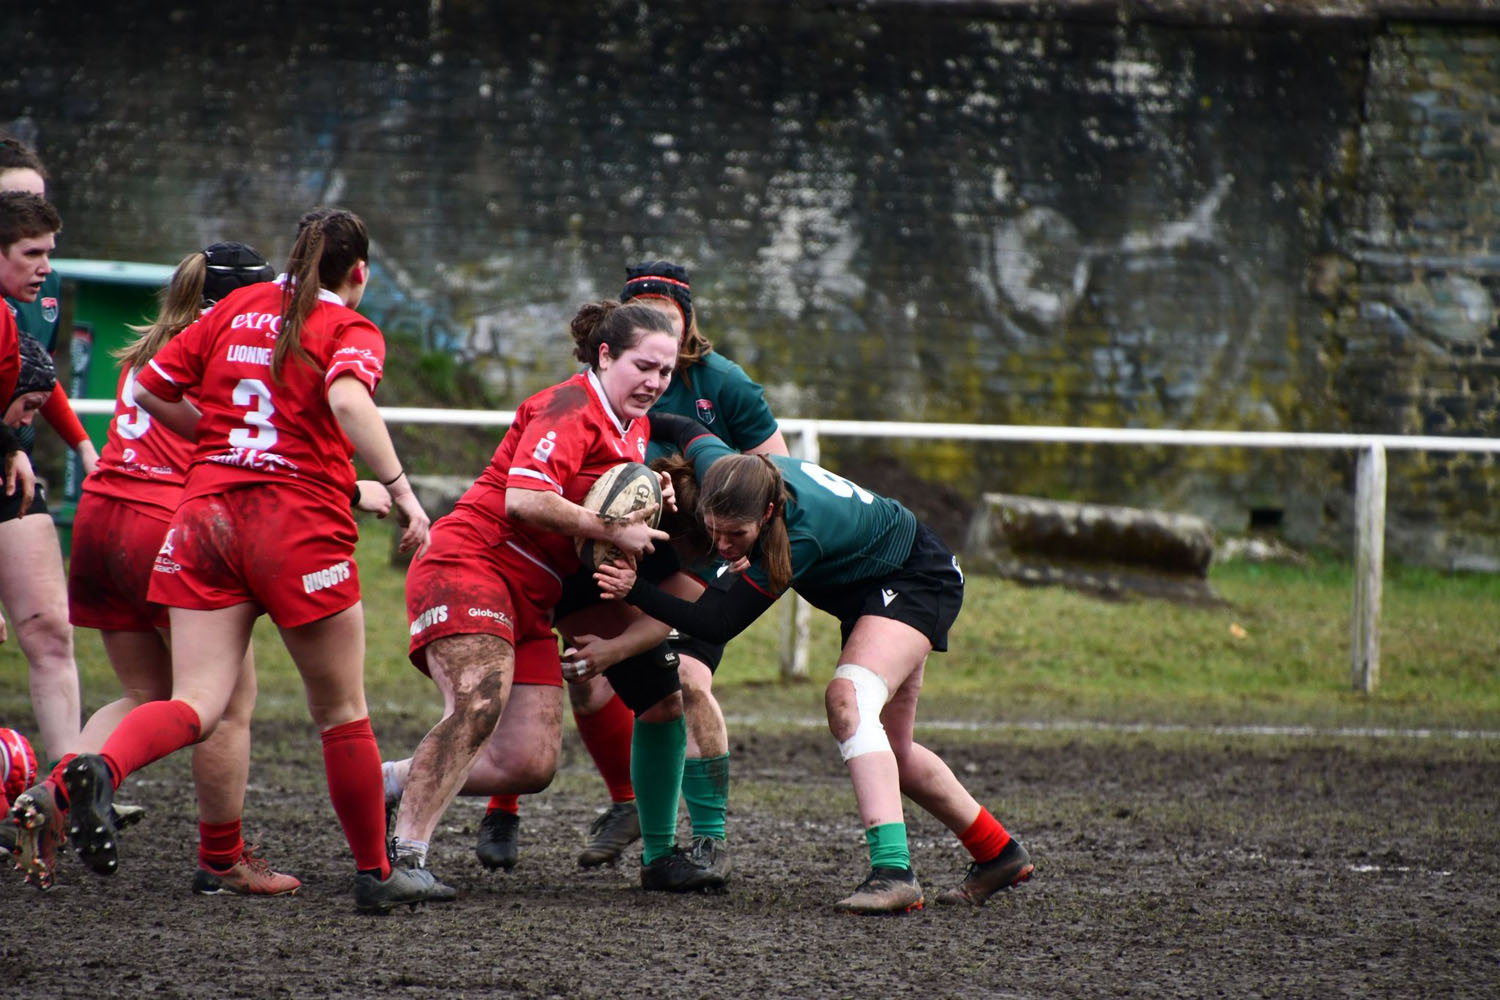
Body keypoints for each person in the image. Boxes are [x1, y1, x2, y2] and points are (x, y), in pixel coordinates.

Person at [12, 208, 442, 913]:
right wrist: (401, 489)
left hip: (204, 517)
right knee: (341, 711)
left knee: (195, 702)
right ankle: (376, 872)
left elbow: (149, 388)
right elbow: (346, 398)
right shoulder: (347, 325)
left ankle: (96, 770)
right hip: (295, 524)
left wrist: (223, 438)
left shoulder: (237, 307)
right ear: (359, 272)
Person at [593, 414, 1036, 914]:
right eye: (714, 531)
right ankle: (998, 852)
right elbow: (686, 428)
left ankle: (894, 873)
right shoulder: (727, 472)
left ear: (767, 513)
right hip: (881, 586)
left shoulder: (801, 535)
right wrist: (622, 418)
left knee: (848, 700)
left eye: (736, 534)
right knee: (894, 753)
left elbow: (715, 623)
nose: (723, 546)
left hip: (916, 578)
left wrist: (636, 590)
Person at [386, 299, 718, 894]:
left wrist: (653, 498)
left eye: (666, 372)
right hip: (471, 564)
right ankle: (406, 859)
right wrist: (616, 528)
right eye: (643, 366)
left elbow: (601, 506)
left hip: (534, 597)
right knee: (478, 703)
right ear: (605, 355)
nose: (654, 382)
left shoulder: (636, 426)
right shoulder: (568, 406)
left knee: (528, 763)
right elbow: (523, 500)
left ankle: (380, 783)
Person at [10, 243, 312, 893]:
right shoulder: (229, 350)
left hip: (101, 521)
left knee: (144, 693)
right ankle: (222, 859)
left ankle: (53, 795)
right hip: (164, 524)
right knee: (224, 704)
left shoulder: (151, 343)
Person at [476, 260, 788, 885]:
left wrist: (705, 495)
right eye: (646, 345)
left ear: (687, 325)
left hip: (687, 550)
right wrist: (635, 500)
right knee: (583, 683)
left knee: (681, 684)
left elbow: (777, 472)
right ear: (613, 343)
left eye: (671, 331)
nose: (655, 371)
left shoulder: (721, 384)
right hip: (600, 550)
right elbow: (545, 484)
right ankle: (531, 802)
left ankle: (700, 842)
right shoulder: (595, 393)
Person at [0, 190, 74, 766]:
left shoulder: (9, 317)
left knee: (50, 626)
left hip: (7, 475)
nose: (45, 267)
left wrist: (13, 446)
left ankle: (71, 788)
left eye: (49, 252)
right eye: (32, 253)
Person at [0, 136, 101, 479]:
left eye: (37, 200)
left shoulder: (46, 283)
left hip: (15, 446)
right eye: (14, 201)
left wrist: (82, 445)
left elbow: (40, 375)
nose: (29, 211)